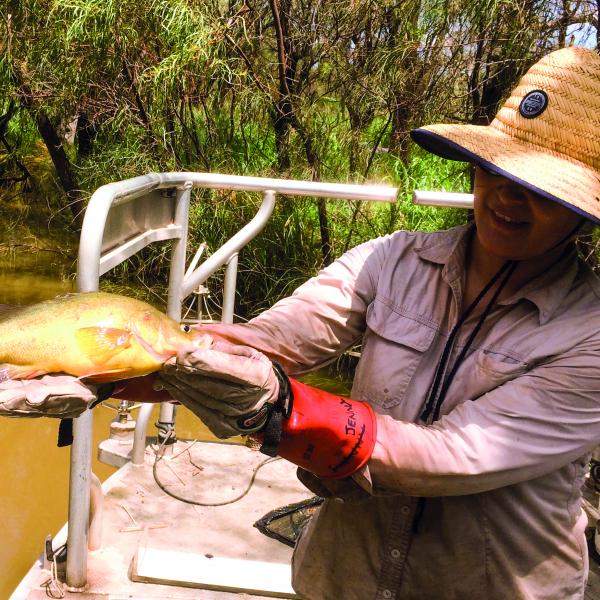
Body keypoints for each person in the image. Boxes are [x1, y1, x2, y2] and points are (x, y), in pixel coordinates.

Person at [2, 46, 599, 599]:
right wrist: (126, 373)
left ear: (583, 212)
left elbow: (449, 457)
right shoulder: (392, 259)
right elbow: (275, 339)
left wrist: (280, 410)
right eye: (497, 170)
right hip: (345, 573)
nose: (507, 197)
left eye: (541, 189)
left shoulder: (589, 336)